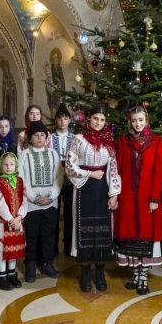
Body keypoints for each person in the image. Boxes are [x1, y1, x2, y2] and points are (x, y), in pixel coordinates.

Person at [66, 105, 121, 292]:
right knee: (84, 230)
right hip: (84, 187)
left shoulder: (108, 140)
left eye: (102, 120)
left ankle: (99, 271)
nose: (99, 122)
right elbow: (70, 166)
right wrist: (90, 174)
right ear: (88, 119)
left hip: (103, 189)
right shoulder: (78, 139)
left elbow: (113, 168)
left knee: (102, 230)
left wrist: (114, 194)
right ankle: (85, 272)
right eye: (95, 118)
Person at [114, 105, 162, 295]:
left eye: (141, 120)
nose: (138, 124)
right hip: (128, 197)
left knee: (146, 237)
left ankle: (143, 276)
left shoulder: (156, 142)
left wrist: (154, 198)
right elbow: (118, 169)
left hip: (147, 198)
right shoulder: (123, 141)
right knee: (131, 237)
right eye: (134, 120)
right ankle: (135, 274)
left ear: (147, 120)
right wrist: (116, 194)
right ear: (130, 121)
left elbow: (158, 172)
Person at [19, 120, 62, 282]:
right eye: (35, 135)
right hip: (31, 204)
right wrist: (34, 198)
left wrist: (51, 197)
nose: (39, 138)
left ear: (46, 137)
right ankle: (30, 263)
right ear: (30, 138)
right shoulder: (24, 155)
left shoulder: (53, 154)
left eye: (42, 135)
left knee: (48, 234)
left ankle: (47, 262)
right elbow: (21, 178)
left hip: (51, 203)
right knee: (31, 235)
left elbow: (59, 177)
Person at [0, 152, 29, 290]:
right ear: (1, 166)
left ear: (16, 166)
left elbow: (24, 200)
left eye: (11, 164)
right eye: (5, 164)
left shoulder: (20, 181)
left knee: (14, 249)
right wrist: (10, 219)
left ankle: (12, 273)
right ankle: (2, 276)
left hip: (18, 221)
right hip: (4, 222)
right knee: (3, 249)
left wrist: (19, 217)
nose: (8, 167)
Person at [51, 103, 76, 255]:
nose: (62, 121)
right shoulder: (50, 137)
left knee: (69, 212)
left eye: (65, 118)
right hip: (54, 177)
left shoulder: (74, 138)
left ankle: (68, 246)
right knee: (54, 212)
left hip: (69, 178)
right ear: (56, 120)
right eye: (60, 118)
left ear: (69, 120)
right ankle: (53, 246)